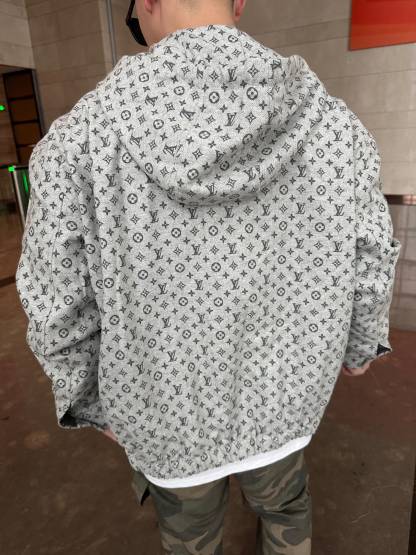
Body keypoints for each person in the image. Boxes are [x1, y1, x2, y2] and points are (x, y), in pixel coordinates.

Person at [15, 0, 402, 553]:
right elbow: (370, 257)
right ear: (239, 2)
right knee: (286, 510)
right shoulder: (336, 128)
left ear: (145, 2)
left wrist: (87, 397)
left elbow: (56, 297)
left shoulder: (78, 142)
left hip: (162, 413)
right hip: (287, 399)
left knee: (190, 538)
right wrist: (360, 344)